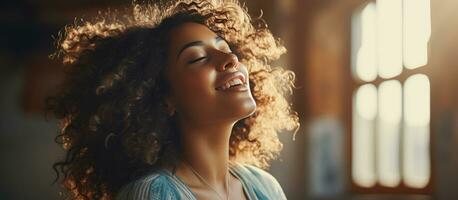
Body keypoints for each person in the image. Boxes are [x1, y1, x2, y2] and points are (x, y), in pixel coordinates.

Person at [46, 0, 299, 199]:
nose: (231, 60)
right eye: (198, 58)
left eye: (225, 49)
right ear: (165, 98)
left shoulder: (264, 186)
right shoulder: (151, 194)